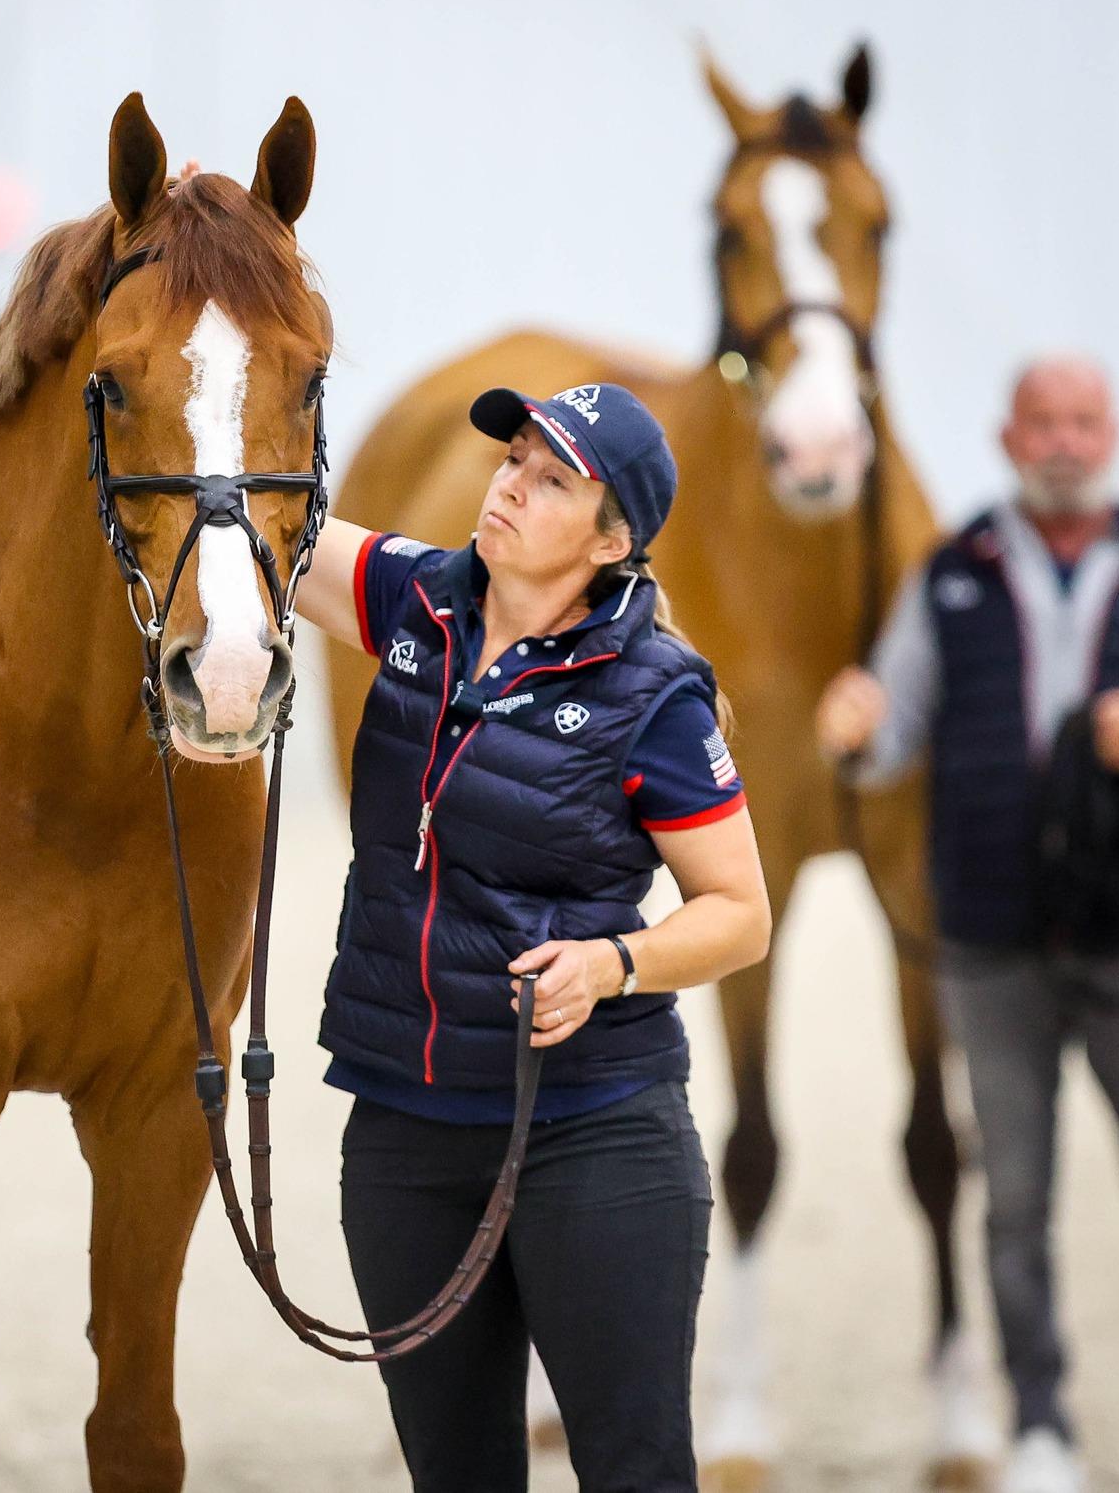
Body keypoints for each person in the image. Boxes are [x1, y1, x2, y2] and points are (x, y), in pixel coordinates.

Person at [293, 381, 772, 1492]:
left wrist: (614, 965)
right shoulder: (416, 598)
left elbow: (738, 914)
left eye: (549, 479)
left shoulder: (654, 697)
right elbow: (266, 527)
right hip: (401, 1137)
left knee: (632, 1470)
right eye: (511, 459)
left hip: (590, 1136)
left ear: (613, 539)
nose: (506, 485)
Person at [815, 356, 1119, 1493]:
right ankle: (1038, 1421)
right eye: (1040, 421)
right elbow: (891, 728)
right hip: (989, 944)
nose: (1061, 441)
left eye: (1081, 420)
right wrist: (855, 725)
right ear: (1005, 436)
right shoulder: (952, 573)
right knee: (1015, 1204)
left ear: (1112, 431)